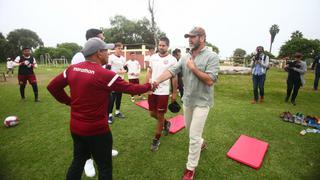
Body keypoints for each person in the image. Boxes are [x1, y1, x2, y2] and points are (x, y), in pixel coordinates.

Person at [47, 38, 155, 180]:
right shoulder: (104, 74)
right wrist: (150, 86)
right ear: (98, 53)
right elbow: (131, 88)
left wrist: (69, 102)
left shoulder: (72, 69)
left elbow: (52, 87)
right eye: (106, 51)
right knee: (104, 167)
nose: (108, 53)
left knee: (78, 161)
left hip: (76, 128)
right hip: (97, 131)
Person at [154, 27, 220, 180]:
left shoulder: (212, 56)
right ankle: (201, 143)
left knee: (194, 136)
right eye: (188, 37)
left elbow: (210, 80)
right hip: (188, 101)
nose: (189, 40)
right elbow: (172, 71)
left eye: (193, 37)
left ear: (202, 38)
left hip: (202, 103)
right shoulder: (185, 57)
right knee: (191, 133)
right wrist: (156, 81)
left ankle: (190, 168)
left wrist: (193, 68)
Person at [70, 28, 119, 178]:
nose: (104, 41)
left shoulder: (99, 57)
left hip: (101, 96)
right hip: (88, 106)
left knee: (100, 132)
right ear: (93, 41)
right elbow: (77, 79)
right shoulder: (79, 57)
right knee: (88, 141)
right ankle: (88, 161)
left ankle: (101, 150)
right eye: (101, 39)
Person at [146, 37, 178, 151]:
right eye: (159, 45)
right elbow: (149, 72)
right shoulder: (153, 57)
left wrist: (174, 92)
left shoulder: (172, 60)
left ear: (168, 46)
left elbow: (174, 77)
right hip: (152, 90)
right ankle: (166, 123)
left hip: (163, 92)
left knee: (159, 115)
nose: (161, 47)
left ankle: (156, 139)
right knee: (152, 113)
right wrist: (147, 86)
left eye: (163, 45)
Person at [107, 42, 126, 123]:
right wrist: (117, 72)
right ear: (115, 49)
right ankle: (109, 115)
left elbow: (125, 68)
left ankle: (117, 112)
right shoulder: (110, 57)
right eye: (119, 48)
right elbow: (107, 69)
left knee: (119, 97)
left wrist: (124, 70)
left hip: (120, 80)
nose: (120, 50)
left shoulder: (123, 58)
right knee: (112, 98)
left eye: (121, 48)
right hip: (112, 81)